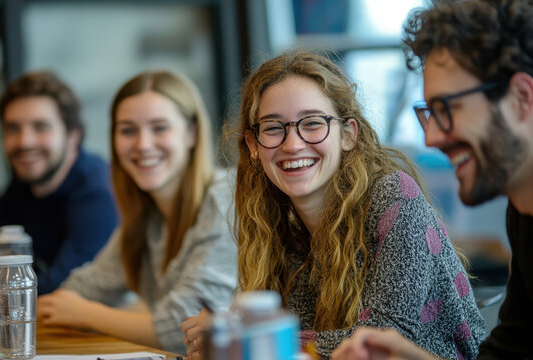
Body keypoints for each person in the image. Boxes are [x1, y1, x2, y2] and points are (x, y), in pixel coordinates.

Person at [181, 50, 486, 360]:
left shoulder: (394, 197)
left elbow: (381, 341)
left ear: (348, 134)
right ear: (253, 146)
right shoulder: (280, 228)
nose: (293, 144)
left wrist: (237, 338)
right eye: (273, 128)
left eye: (312, 123)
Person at [332, 0, 533, 359]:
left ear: (521, 98)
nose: (431, 138)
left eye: (447, 109)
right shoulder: (524, 212)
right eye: (428, 114)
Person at [36, 70, 238, 355]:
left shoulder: (225, 198)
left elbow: (179, 328)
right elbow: (82, 288)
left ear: (191, 133)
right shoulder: (147, 217)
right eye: (128, 130)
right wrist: (77, 307)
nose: (142, 145)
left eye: (159, 127)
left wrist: (86, 314)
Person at [0, 71, 118, 294]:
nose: (24, 141)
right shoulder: (21, 188)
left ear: (73, 136)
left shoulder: (98, 192)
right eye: (13, 128)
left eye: (40, 127)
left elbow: (64, 289)